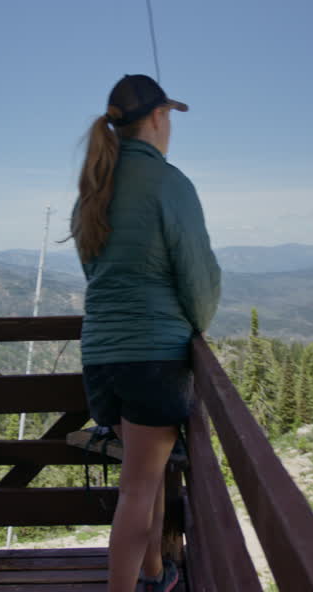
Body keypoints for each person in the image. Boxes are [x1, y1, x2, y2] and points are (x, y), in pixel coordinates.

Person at [70, 74, 221, 592]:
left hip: (102, 357)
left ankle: (156, 572)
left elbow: (96, 274)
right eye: (169, 117)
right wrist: (196, 329)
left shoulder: (96, 186)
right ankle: (123, 588)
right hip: (154, 357)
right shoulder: (170, 184)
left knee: (146, 473)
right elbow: (197, 278)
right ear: (158, 117)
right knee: (138, 487)